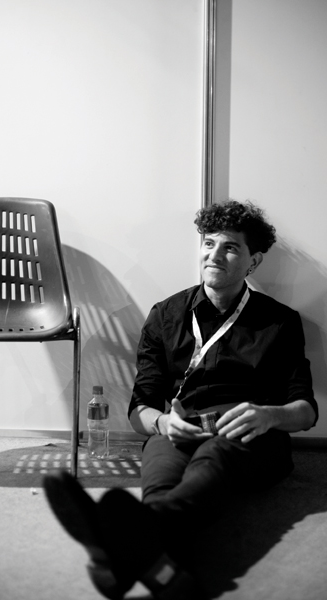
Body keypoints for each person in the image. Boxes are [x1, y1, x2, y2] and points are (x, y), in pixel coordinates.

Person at [43, 200, 318, 600]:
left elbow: (306, 410)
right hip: (179, 427)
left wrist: (269, 416)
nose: (214, 255)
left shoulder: (280, 321)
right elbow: (140, 408)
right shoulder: (166, 315)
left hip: (250, 434)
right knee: (160, 481)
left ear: (253, 261)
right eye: (209, 243)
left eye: (230, 247)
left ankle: (115, 546)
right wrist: (162, 423)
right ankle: (165, 574)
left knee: (213, 456)